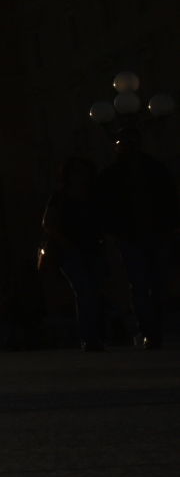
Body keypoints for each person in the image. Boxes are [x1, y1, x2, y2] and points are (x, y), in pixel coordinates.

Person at [97, 129, 178, 349]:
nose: (128, 149)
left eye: (131, 144)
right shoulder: (112, 175)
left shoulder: (156, 170)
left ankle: (153, 327)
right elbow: (105, 207)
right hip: (131, 236)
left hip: (157, 233)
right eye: (123, 144)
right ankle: (149, 331)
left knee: (159, 285)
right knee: (140, 285)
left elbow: (171, 198)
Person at [41, 156, 107, 351]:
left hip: (92, 249)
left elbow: (103, 222)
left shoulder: (94, 196)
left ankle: (96, 335)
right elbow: (48, 223)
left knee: (94, 292)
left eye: (82, 171)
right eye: (75, 171)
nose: (79, 175)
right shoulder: (60, 196)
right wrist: (65, 242)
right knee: (84, 291)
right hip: (68, 252)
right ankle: (89, 338)